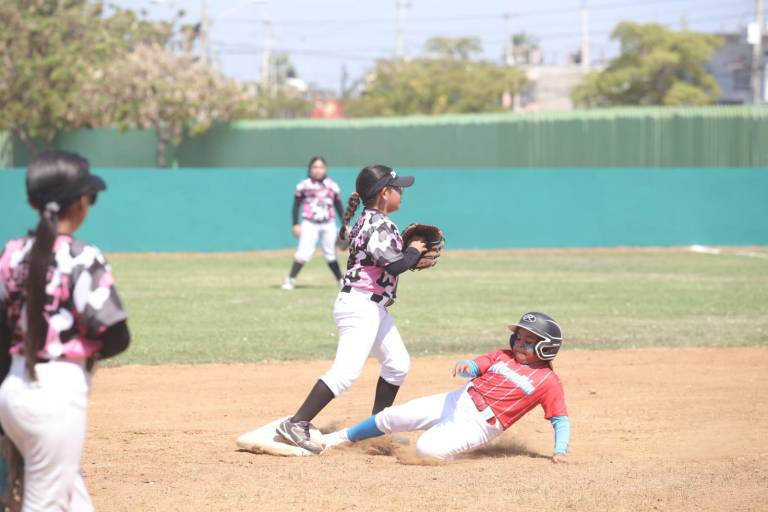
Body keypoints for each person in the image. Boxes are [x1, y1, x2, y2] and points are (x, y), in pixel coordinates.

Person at [0, 150, 130, 510]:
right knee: (44, 503)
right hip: (56, 395)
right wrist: (80, 350)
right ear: (80, 204)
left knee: (72, 498)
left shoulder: (10, 253)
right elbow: (116, 333)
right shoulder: (82, 256)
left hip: (12, 390)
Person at [276, 164, 428, 454]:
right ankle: (296, 423)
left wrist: (408, 254)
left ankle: (375, 429)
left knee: (397, 365)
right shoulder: (379, 223)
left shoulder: (365, 219)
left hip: (370, 305)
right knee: (345, 372)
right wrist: (414, 250)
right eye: (398, 188)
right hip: (360, 305)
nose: (402, 193)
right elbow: (395, 264)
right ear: (384, 193)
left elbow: (387, 260)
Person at [322, 312, 571, 462]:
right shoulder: (502, 355)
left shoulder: (547, 381)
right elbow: (477, 365)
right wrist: (468, 366)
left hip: (480, 424)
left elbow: (560, 418)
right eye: (518, 338)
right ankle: (336, 438)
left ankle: (424, 442)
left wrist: (560, 451)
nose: (519, 344)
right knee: (391, 415)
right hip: (456, 399)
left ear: (546, 348)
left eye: (528, 341)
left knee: (426, 450)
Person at [282, 156, 345, 290]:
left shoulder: (332, 185)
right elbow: (296, 205)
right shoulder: (304, 185)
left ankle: (341, 280)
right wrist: (295, 224)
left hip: (328, 223)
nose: (318, 170)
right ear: (310, 169)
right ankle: (290, 280)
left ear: (325, 168)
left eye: (320, 167)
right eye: (315, 167)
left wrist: (345, 224)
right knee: (303, 253)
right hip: (310, 223)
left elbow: (339, 206)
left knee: (331, 253)